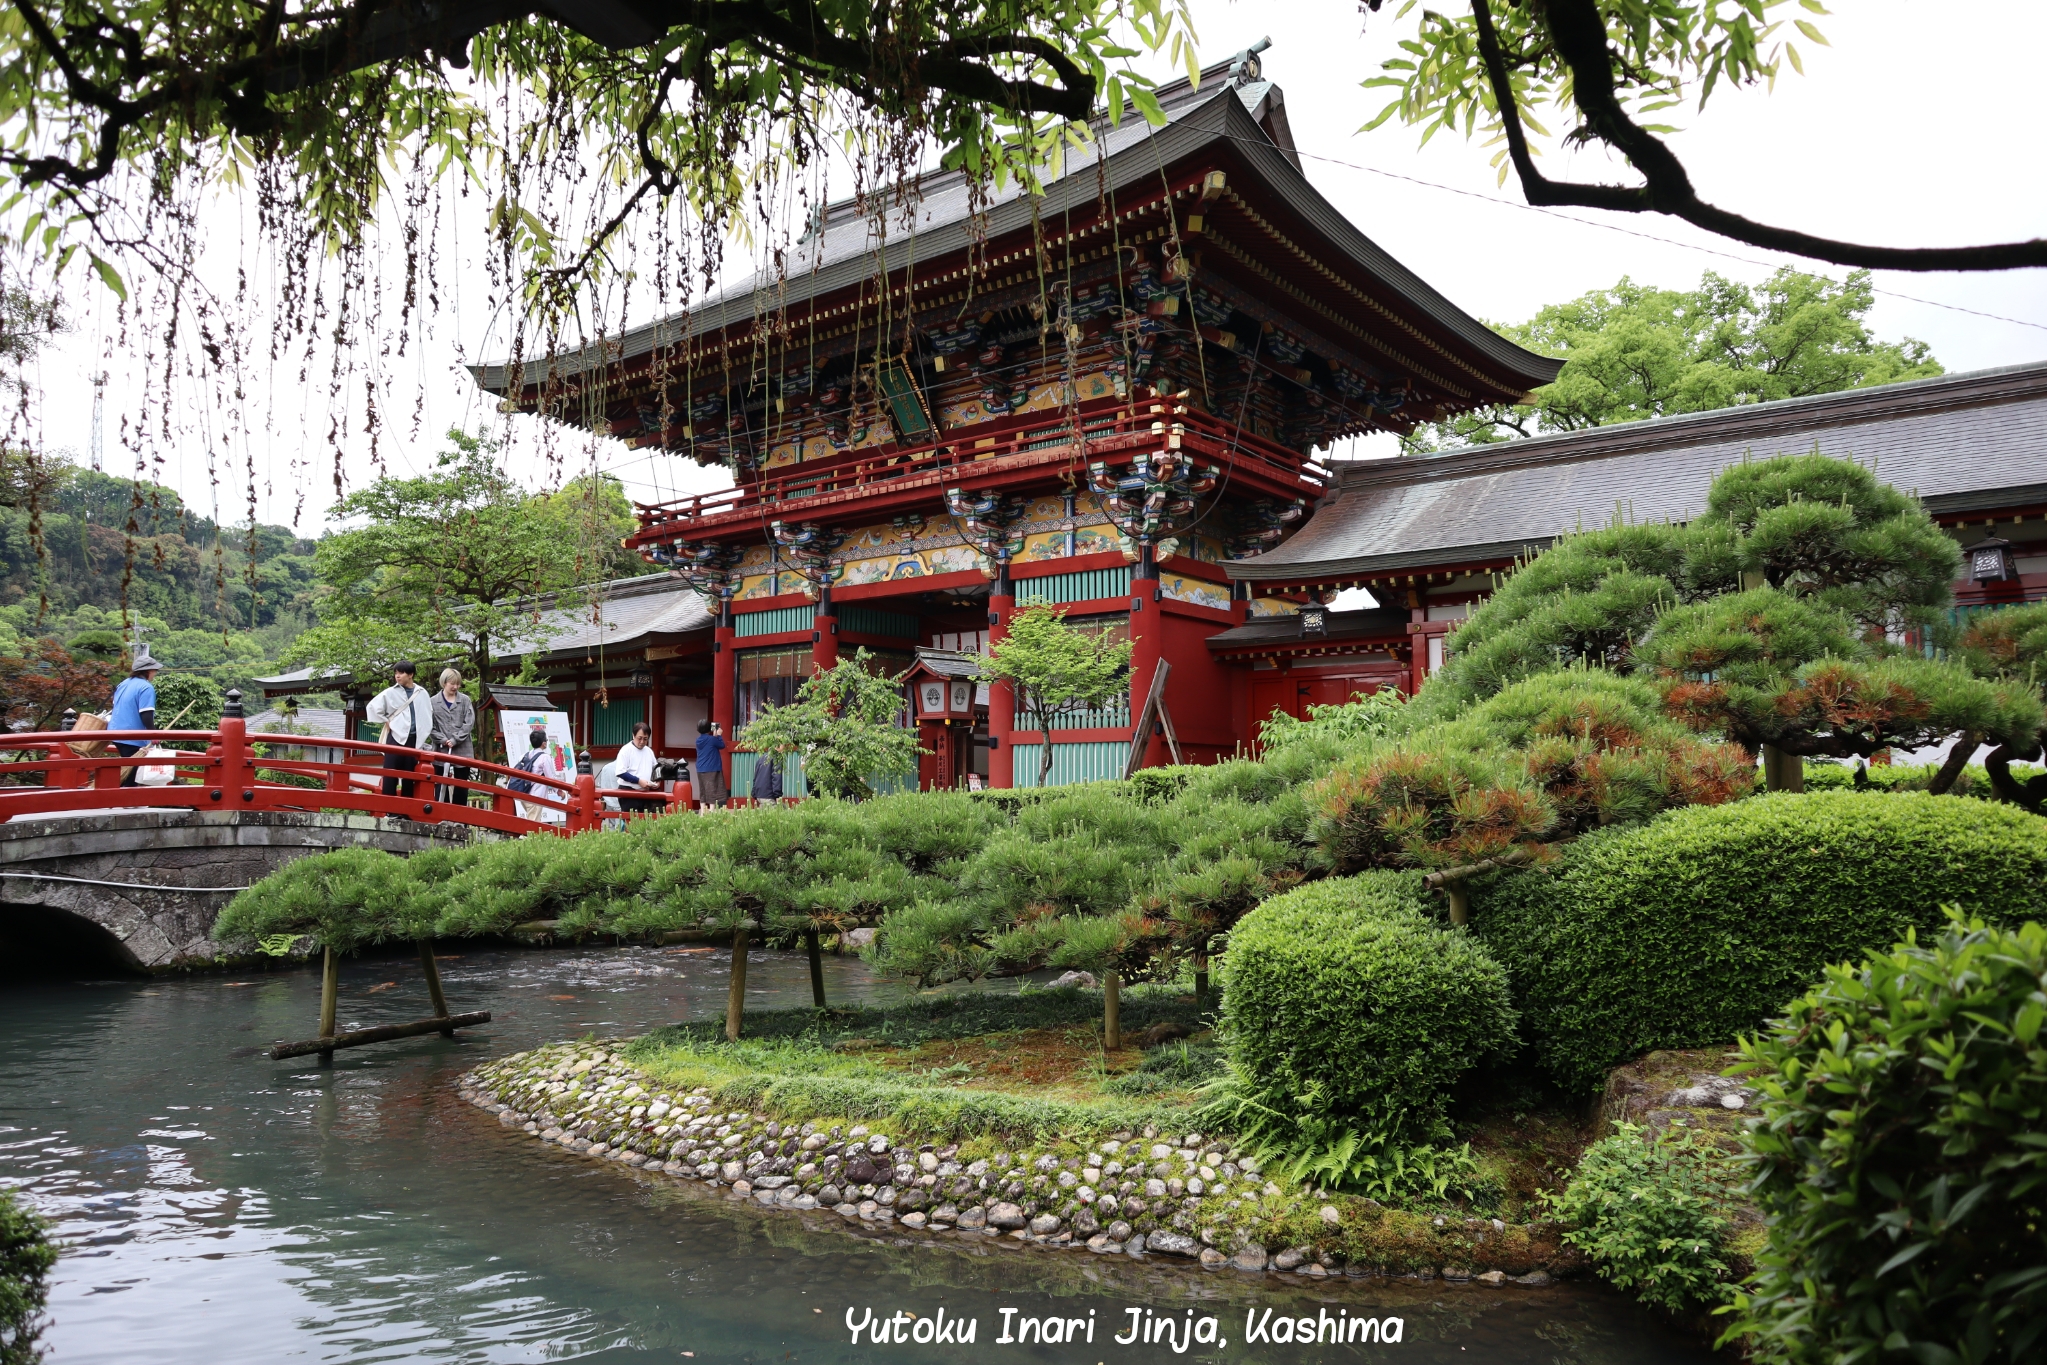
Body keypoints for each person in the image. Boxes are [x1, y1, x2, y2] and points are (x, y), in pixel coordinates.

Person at [364, 661, 434, 798]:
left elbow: (428, 713)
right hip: (395, 737)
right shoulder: (391, 692)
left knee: (410, 776)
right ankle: (388, 805)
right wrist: (386, 720)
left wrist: (424, 733)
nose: (397, 676)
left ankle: (408, 806)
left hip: (414, 739)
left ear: (411, 675)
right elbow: (372, 707)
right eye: (396, 673)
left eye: (401, 673)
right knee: (390, 774)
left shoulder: (422, 693)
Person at [107, 644, 161, 787]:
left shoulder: (124, 684)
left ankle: (123, 794)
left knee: (129, 770)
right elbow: (146, 714)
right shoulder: (146, 687)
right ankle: (125, 796)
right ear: (148, 671)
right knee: (132, 774)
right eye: (154, 670)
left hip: (115, 733)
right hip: (132, 736)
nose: (155, 673)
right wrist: (154, 734)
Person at [429, 668, 476, 806]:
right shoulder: (432, 701)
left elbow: (469, 722)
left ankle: (459, 815)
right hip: (440, 748)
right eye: (452, 683)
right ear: (444, 683)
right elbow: (429, 726)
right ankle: (442, 813)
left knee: (461, 784)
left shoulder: (465, 700)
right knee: (439, 783)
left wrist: (456, 739)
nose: (455, 687)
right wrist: (443, 739)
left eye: (458, 684)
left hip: (462, 748)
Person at [613, 720, 664, 814]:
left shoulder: (649, 751)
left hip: (646, 792)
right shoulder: (626, 750)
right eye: (639, 738)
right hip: (629, 791)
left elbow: (656, 768)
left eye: (645, 739)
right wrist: (638, 781)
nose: (642, 742)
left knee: (649, 820)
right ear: (633, 735)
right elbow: (621, 772)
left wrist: (658, 781)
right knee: (632, 820)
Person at [694, 719, 727, 809]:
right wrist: (719, 735)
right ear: (709, 728)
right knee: (713, 789)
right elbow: (722, 745)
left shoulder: (698, 740)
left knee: (703, 789)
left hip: (700, 768)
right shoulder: (712, 739)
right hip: (711, 767)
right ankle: (712, 811)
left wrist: (714, 737)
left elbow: (710, 743)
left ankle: (703, 810)